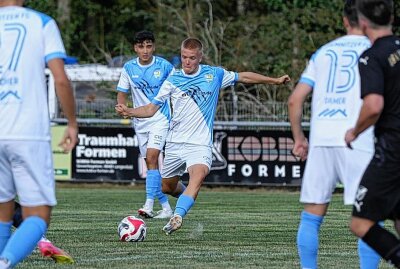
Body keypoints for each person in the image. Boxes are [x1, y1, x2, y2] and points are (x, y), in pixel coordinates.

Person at [116, 37, 290, 235]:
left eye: (191, 58)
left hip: (200, 143)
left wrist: (274, 81)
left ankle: (178, 215)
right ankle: (187, 198)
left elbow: (244, 77)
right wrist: (128, 111)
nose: (187, 62)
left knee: (197, 178)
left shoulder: (214, 74)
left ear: (200, 57)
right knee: (166, 187)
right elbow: (150, 109)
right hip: (175, 143)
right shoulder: (172, 80)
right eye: (183, 57)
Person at [288, 1, 381, 268]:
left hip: (322, 139)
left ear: (344, 21)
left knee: (311, 217)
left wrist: (299, 138)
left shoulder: (323, 52)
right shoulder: (374, 50)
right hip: (360, 138)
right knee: (369, 219)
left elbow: (295, 100)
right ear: (366, 21)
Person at [0, 0, 78, 268]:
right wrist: (72, 123)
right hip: (27, 132)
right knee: (39, 215)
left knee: (3, 213)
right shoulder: (41, 22)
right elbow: (60, 78)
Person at [344, 0, 400, 267]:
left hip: (393, 149)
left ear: (363, 23)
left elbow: (374, 105)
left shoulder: (372, 56)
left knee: (360, 222)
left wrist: (355, 131)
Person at [116, 30, 174, 219]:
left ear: (153, 47)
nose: (145, 50)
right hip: (139, 121)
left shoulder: (165, 66)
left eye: (149, 46)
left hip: (160, 118)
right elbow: (122, 92)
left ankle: (148, 205)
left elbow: (178, 88)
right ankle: (166, 208)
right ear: (135, 48)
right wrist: (122, 107)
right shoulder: (128, 68)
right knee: (151, 168)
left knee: (152, 158)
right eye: (141, 46)